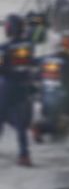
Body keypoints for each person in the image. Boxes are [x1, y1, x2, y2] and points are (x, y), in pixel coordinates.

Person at [0, 15, 37, 165]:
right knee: (21, 123)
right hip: (24, 88)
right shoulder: (29, 46)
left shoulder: (4, 48)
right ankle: (24, 155)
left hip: (7, 88)